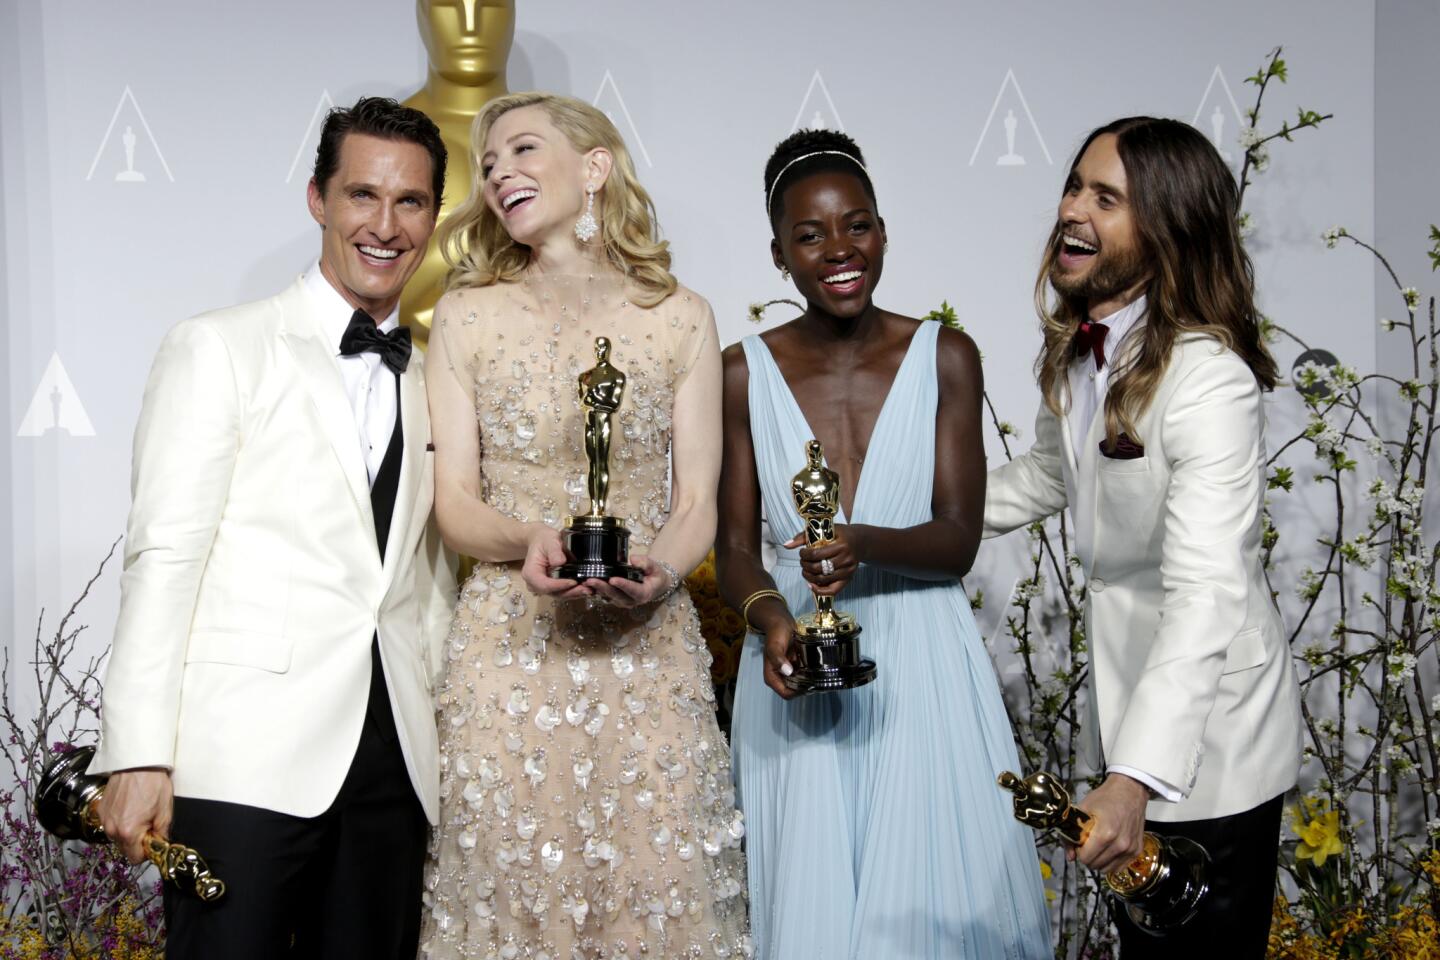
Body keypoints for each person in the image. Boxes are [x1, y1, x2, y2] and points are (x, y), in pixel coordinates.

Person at [90, 97, 458, 958]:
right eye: (361, 194)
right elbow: (164, 557)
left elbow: (427, 584)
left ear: (434, 216)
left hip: (392, 770)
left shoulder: (440, 378)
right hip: (242, 761)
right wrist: (137, 751)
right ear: (317, 200)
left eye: (410, 202)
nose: (385, 224)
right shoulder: (220, 347)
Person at [420, 92, 750, 959]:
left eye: (523, 150)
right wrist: (526, 539)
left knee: (655, 892)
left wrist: (663, 575)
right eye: (488, 165)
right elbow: (453, 501)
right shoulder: (464, 314)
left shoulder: (681, 315)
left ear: (595, 167)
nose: (500, 175)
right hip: (510, 647)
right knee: (508, 895)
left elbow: (695, 505)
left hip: (649, 656)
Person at [717, 128, 1051, 960]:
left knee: (938, 915)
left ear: (883, 230)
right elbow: (732, 547)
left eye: (857, 224)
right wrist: (768, 621)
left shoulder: (947, 356)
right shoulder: (739, 371)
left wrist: (859, 541)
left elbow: (957, 538)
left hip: (925, 667)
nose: (840, 250)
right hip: (794, 667)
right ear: (777, 254)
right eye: (810, 234)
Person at [983, 116, 1303, 957]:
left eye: (1106, 197)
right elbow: (1051, 481)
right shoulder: (1074, 356)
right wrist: (910, 518)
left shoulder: (1211, 382)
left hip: (1213, 739)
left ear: (1164, 232)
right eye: (1074, 186)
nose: (1072, 211)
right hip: (1128, 718)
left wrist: (1131, 781)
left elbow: (1206, 597)